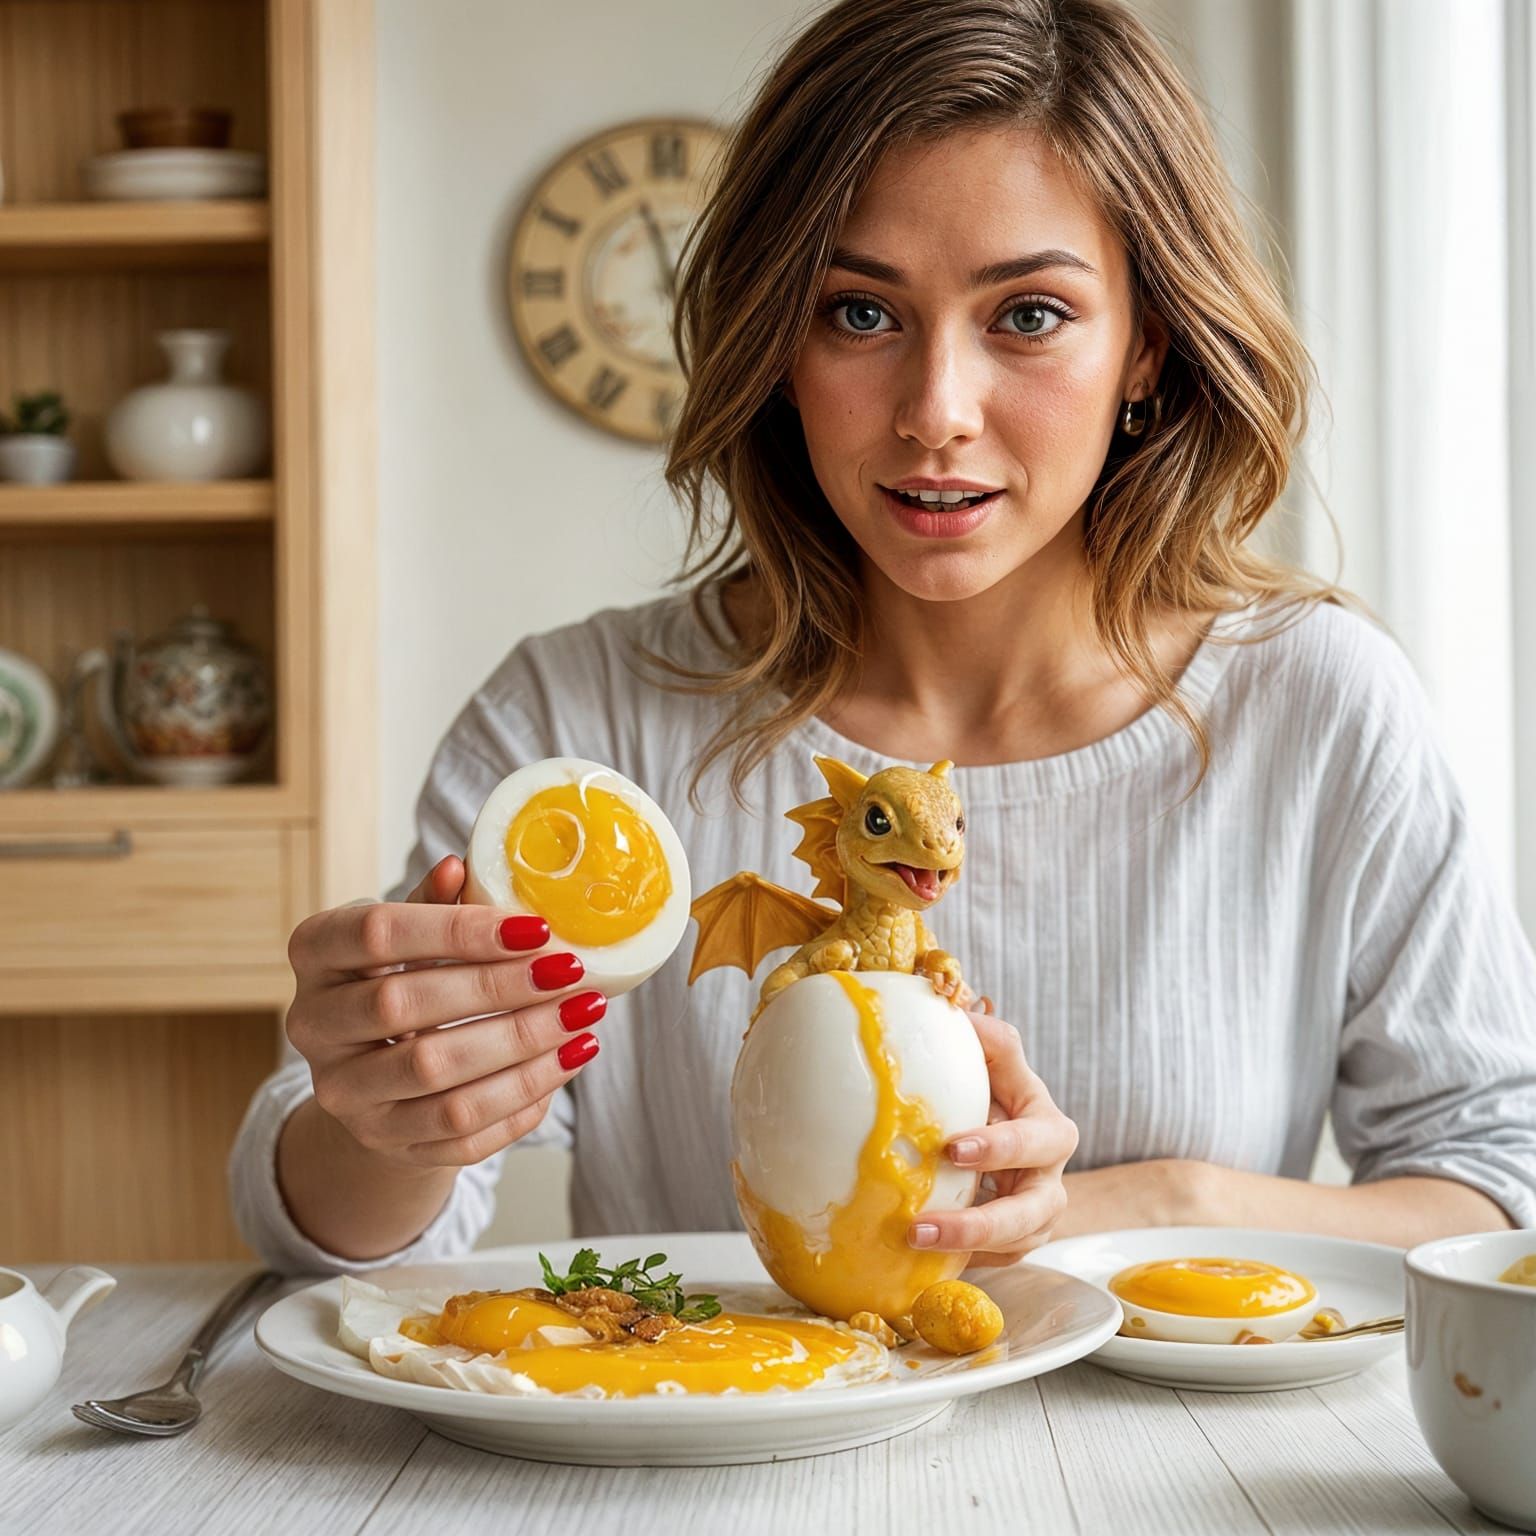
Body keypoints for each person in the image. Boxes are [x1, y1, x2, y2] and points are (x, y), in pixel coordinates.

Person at [230, 0, 1536, 1276]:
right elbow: (330, 1234)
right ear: (777, 341)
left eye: (1029, 314)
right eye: (860, 312)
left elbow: (1499, 1182)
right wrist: (389, 1116)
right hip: (703, 1423)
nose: (936, 411)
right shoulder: (581, 723)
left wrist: (1146, 1204)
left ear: (1147, 346)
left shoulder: (1318, 703)